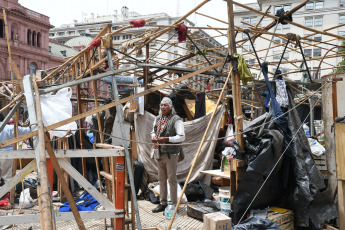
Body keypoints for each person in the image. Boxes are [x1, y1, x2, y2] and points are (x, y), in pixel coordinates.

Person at [151, 97, 185, 213]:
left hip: (171, 154)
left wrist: (166, 139)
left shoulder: (176, 120)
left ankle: (173, 204)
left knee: (172, 179)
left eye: (165, 105)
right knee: (161, 179)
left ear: (170, 107)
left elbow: (182, 136)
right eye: (161, 105)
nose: (163, 107)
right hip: (159, 152)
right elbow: (153, 131)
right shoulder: (158, 118)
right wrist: (153, 137)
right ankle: (163, 203)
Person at [0, 114, 31, 187]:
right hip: (7, 155)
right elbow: (27, 131)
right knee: (8, 178)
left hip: (7, 154)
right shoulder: (10, 128)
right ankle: (9, 195)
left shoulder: (10, 127)